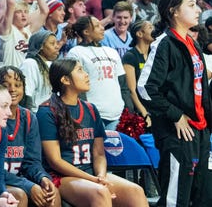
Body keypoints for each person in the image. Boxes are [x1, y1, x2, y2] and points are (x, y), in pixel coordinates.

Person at [37, 58, 148, 207]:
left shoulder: (90, 109)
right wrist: (94, 180)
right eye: (80, 70)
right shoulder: (47, 111)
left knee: (136, 191)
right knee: (100, 192)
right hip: (61, 176)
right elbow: (55, 161)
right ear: (65, 80)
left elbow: (99, 154)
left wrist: (101, 176)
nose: (86, 74)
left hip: (91, 174)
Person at [137, 0, 212, 205]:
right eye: (190, 5)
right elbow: (145, 88)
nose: (197, 10)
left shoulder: (193, 43)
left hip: (199, 129)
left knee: (202, 196)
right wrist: (176, 115)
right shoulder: (164, 43)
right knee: (176, 198)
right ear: (173, 11)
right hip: (177, 131)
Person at [0, 66, 60, 207]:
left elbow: (32, 162)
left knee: (51, 194)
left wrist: (42, 178)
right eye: (6, 86)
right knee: (18, 195)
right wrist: (27, 185)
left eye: (18, 85)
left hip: (18, 179)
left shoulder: (29, 118)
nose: (12, 89)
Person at [66, 16, 127, 130]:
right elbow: (76, 87)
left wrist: (128, 109)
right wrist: (84, 111)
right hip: (93, 113)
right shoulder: (76, 52)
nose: (102, 28)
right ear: (86, 32)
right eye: (97, 26)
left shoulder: (112, 52)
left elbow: (123, 84)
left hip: (117, 114)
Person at [121, 20, 153, 124]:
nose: (154, 30)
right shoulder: (130, 56)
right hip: (140, 112)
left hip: (155, 108)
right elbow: (132, 90)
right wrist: (145, 114)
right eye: (150, 27)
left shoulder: (154, 55)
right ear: (139, 34)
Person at [20, 30, 59, 111]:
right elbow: (26, 95)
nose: (57, 46)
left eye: (57, 43)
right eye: (52, 43)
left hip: (52, 113)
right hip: (36, 114)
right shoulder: (30, 64)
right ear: (41, 46)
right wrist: (29, 118)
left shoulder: (51, 65)